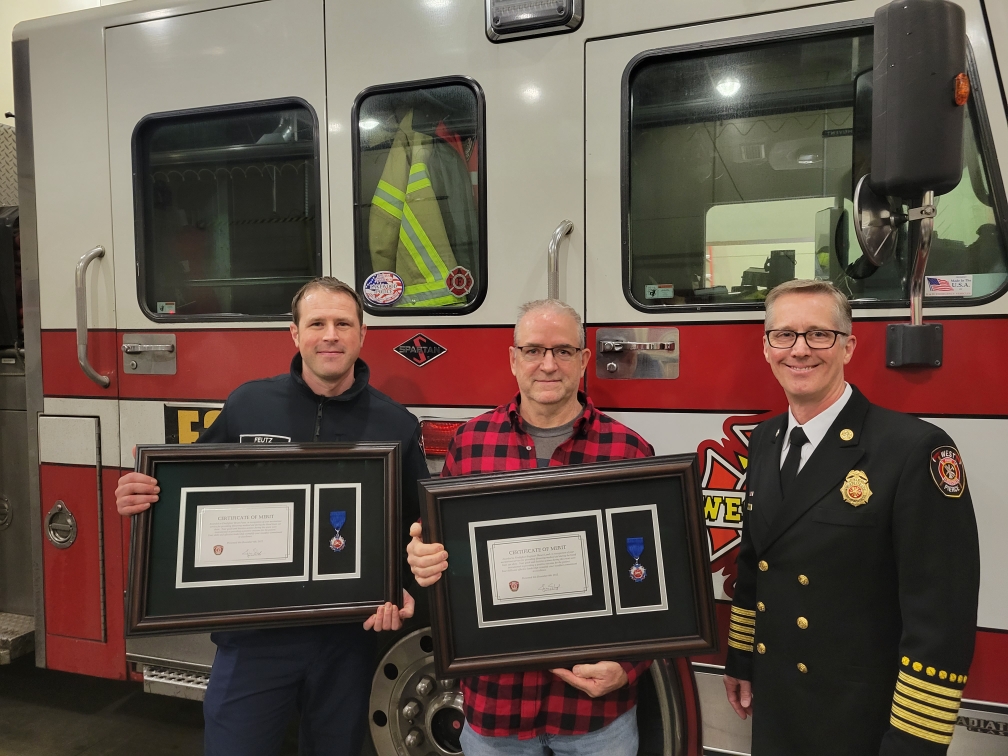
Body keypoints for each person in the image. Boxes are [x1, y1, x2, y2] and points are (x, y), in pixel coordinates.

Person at [115, 277, 428, 756]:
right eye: (317, 323)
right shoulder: (248, 405)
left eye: (343, 324)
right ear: (294, 333)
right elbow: (191, 493)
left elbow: (418, 530)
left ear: (362, 335)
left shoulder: (396, 425)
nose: (330, 335)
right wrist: (144, 496)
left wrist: (403, 590)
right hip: (254, 636)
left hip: (347, 640)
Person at [722, 279, 980, 755]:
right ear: (765, 347)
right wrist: (741, 659)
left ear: (848, 346)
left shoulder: (912, 449)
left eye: (819, 335)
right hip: (777, 705)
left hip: (860, 720)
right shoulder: (764, 441)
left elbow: (941, 617)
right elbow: (756, 563)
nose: (800, 350)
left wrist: (913, 743)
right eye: (784, 335)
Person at [407, 299, 654, 756]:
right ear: (513, 358)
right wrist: (425, 557)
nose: (547, 364)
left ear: (583, 361)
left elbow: (657, 580)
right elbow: (443, 543)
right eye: (534, 350)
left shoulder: (629, 451)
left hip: (595, 718)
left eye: (563, 351)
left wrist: (628, 668)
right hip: (494, 710)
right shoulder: (471, 442)